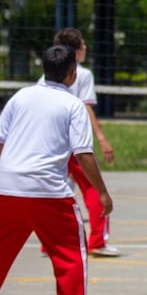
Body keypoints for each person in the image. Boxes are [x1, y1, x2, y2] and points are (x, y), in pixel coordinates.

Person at [0, 44, 111, 295]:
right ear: (72, 73)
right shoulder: (73, 105)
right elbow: (83, 153)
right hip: (47, 191)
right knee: (70, 251)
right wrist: (102, 192)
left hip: (8, 187)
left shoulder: (21, 96)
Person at [46, 28, 119, 257]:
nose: (86, 48)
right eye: (84, 45)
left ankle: (49, 241)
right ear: (76, 51)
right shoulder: (82, 74)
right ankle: (97, 240)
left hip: (52, 142)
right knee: (93, 189)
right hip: (73, 143)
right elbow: (86, 107)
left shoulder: (45, 75)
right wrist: (101, 137)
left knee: (53, 190)